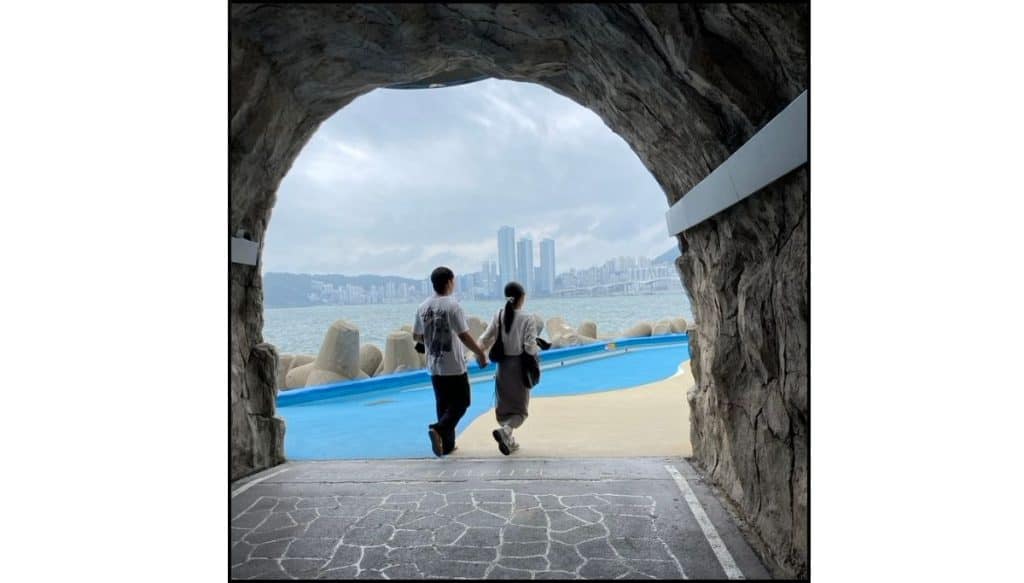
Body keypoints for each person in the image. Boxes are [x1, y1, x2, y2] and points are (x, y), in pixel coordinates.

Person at [413, 266, 489, 457]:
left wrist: (430, 339)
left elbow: (416, 335)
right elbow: (464, 336)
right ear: (449, 282)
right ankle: (438, 429)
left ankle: (446, 446)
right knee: (462, 402)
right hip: (453, 365)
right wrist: (480, 353)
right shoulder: (453, 305)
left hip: (434, 365)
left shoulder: (422, 307)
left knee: (443, 405)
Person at [478, 281, 540, 455]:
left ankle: (508, 438)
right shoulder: (527, 318)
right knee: (520, 410)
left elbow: (485, 338)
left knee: (505, 408)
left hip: (502, 368)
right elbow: (529, 347)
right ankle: (505, 432)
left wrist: (479, 354)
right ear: (521, 298)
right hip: (519, 368)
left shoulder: (498, 315)